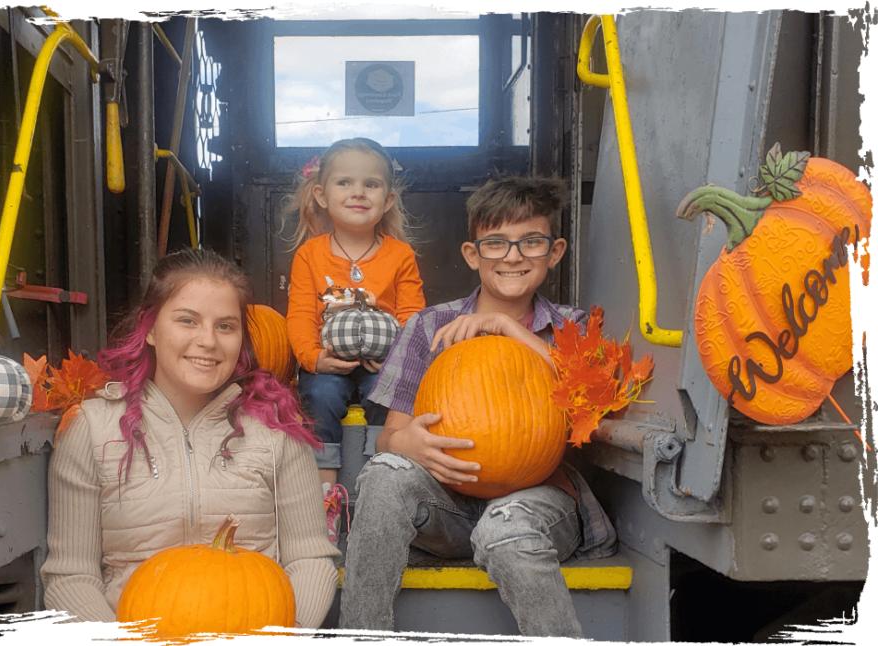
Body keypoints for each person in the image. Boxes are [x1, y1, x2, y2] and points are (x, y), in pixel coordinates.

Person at [339, 175, 618, 639]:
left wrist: (511, 331)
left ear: (555, 251)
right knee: (385, 473)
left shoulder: (572, 327)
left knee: (505, 529)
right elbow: (391, 436)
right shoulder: (430, 326)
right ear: (473, 254)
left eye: (531, 242)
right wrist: (407, 442)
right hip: (449, 502)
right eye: (496, 243)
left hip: (538, 502)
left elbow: (591, 400)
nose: (512, 256)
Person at [41, 248, 340, 631]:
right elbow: (71, 576)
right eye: (187, 320)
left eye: (225, 326)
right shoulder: (91, 429)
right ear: (149, 328)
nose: (208, 341)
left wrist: (289, 633)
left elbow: (310, 559)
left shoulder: (276, 431)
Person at [284, 138, 426, 541]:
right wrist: (313, 358)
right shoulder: (310, 255)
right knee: (323, 396)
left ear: (388, 199)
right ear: (322, 195)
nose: (358, 192)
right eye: (344, 182)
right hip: (328, 359)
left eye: (371, 184)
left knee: (392, 398)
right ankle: (325, 496)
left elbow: (412, 314)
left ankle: (380, 488)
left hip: (382, 360)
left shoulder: (400, 255)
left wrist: (399, 360)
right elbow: (299, 314)